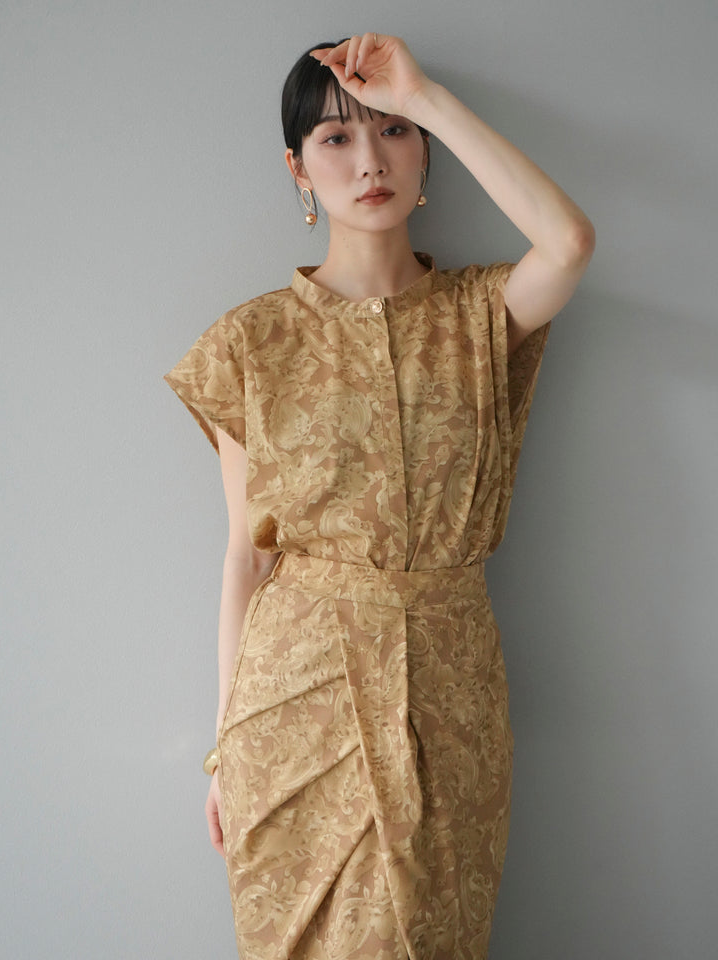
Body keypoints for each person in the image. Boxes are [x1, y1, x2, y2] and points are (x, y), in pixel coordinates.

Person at [165, 32, 594, 960]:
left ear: (424, 154)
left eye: (392, 132)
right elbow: (245, 559)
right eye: (335, 138)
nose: (369, 161)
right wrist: (225, 747)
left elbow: (568, 242)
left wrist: (424, 97)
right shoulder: (248, 344)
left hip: (450, 691)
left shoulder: (482, 314)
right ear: (297, 169)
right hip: (292, 701)